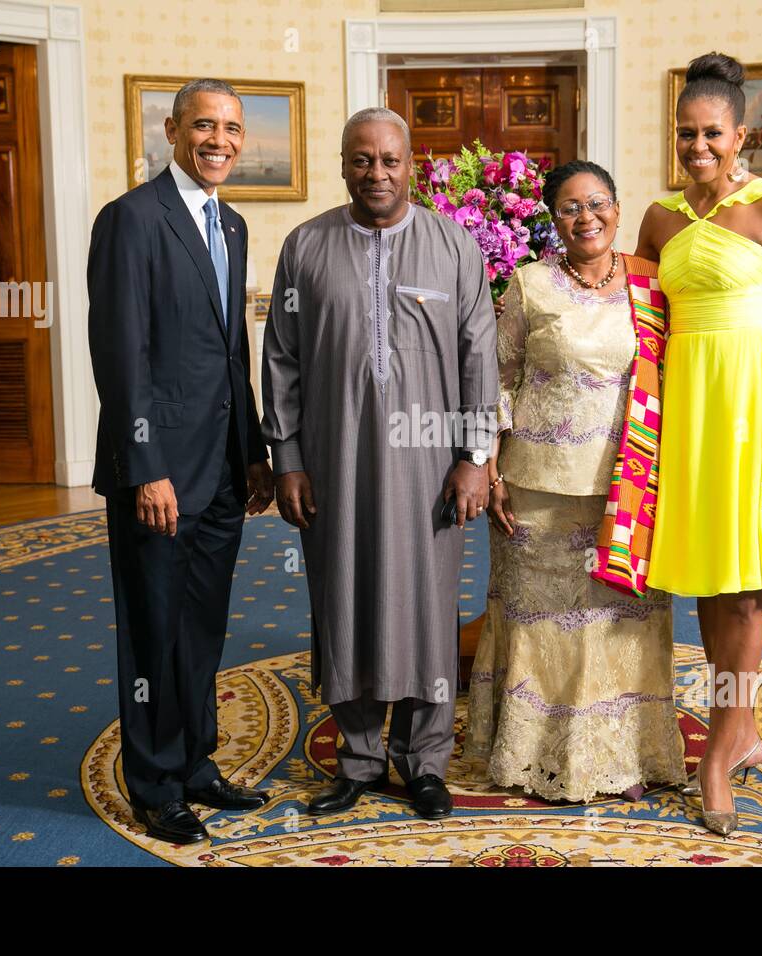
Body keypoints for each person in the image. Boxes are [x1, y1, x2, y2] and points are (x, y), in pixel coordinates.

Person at [261, 108, 497, 820]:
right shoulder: (305, 247)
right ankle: (359, 759)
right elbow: (282, 359)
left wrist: (474, 457)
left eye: (390, 160)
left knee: (427, 605)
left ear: (410, 166)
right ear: (342, 165)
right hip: (334, 461)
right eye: (362, 160)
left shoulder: (453, 245)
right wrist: (288, 458)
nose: (377, 173)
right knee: (345, 601)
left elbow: (478, 355)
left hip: (431, 466)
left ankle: (423, 761)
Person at [636, 52, 762, 835]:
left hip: (757, 409)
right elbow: (638, 322)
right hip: (688, 414)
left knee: (747, 586)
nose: (697, 147)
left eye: (711, 134)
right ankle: (743, 726)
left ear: (740, 132)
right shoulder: (659, 219)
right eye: (686, 134)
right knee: (707, 579)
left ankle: (722, 746)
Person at [88, 79, 275, 845]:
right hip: (159, 473)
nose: (220, 140)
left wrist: (256, 451)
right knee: (154, 630)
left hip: (223, 470)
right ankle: (157, 784)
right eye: (205, 125)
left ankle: (196, 763)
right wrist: (146, 467)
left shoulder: (230, 224)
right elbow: (120, 353)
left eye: (232, 128)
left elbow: (234, 354)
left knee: (201, 627)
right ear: (171, 130)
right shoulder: (131, 219)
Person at [464, 161, 687, 803]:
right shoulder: (529, 284)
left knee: (624, 624)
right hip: (538, 488)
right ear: (551, 219)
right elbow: (499, 379)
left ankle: (624, 753)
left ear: (618, 208)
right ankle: (534, 755)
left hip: (632, 486)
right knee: (542, 625)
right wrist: (490, 465)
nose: (585, 216)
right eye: (568, 207)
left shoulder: (653, 285)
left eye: (597, 203)